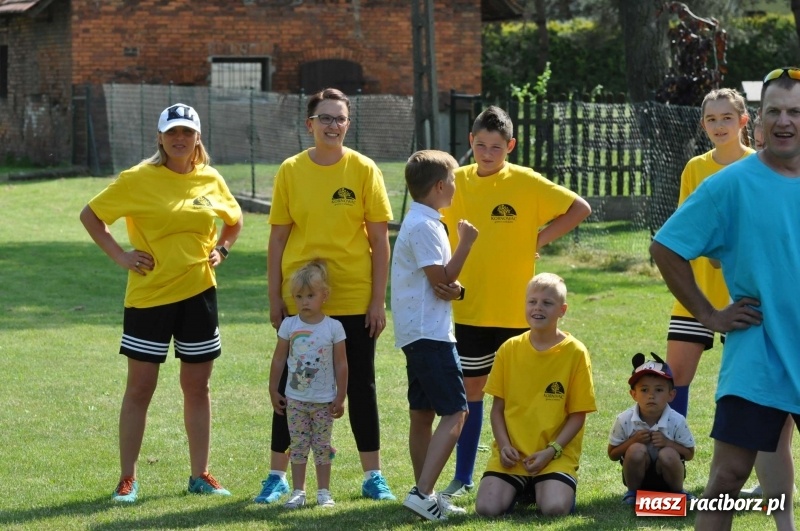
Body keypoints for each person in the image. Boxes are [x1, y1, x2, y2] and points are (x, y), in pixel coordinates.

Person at [650, 67, 800, 531]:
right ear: (756, 120)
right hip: (761, 352)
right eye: (773, 111)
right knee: (727, 479)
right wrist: (708, 314)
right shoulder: (730, 184)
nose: (784, 121)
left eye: (796, 112)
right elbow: (666, 247)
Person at [79, 103, 243, 502]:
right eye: (172, 132)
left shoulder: (210, 178)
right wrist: (121, 256)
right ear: (160, 137)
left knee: (197, 387)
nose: (180, 139)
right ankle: (128, 479)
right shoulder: (137, 178)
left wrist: (223, 248)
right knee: (140, 388)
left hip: (200, 295)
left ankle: (200, 475)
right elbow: (91, 216)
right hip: (149, 297)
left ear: (198, 137)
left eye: (187, 132)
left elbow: (234, 220)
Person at [438, 106, 591, 498]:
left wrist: (536, 240)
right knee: (471, 394)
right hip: (470, 309)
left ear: (511, 146)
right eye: (481, 145)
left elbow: (579, 208)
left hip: (521, 315)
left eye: (497, 147)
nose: (488, 153)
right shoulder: (454, 182)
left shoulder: (525, 182)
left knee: (520, 398)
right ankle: (464, 475)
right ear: (470, 143)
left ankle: (534, 470)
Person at [257, 87, 396, 504]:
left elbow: (379, 239)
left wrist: (377, 300)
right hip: (303, 300)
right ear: (310, 124)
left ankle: (373, 476)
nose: (333, 125)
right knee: (291, 384)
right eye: (325, 118)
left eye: (339, 119)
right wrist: (274, 298)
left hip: (353, 298)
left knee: (361, 385)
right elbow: (278, 239)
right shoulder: (290, 170)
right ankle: (277, 476)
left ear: (347, 125)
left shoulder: (365, 169)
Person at [391, 150, 478, 521]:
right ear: (440, 186)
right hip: (430, 334)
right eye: (454, 181)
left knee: (422, 413)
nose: (456, 187)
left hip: (421, 330)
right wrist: (467, 243)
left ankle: (422, 495)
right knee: (457, 412)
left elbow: (447, 285)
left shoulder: (424, 220)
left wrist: (456, 289)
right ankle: (423, 491)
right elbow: (441, 279)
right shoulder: (426, 226)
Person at [664, 88, 754, 420]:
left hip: (744, 294)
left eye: (727, 117)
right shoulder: (694, 169)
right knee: (673, 380)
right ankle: (673, 458)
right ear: (703, 125)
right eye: (712, 119)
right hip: (696, 292)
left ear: (743, 120)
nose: (719, 125)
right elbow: (683, 230)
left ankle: (743, 460)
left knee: (746, 386)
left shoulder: (758, 166)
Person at [474, 273, 596, 517]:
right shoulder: (509, 349)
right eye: (532, 301)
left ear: (562, 310)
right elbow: (497, 410)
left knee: (554, 508)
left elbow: (578, 416)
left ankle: (547, 486)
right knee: (486, 509)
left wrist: (551, 451)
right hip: (513, 455)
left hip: (554, 455)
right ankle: (525, 487)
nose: (538, 307)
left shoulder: (575, 352)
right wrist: (506, 445)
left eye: (547, 303)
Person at [739, 111, 797, 501]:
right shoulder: (741, 181)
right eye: (770, 118)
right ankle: (773, 498)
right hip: (760, 329)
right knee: (769, 428)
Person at [268, 260, 348, 509]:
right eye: (299, 296)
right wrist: (273, 389)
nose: (304, 302)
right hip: (296, 401)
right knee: (299, 446)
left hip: (324, 401)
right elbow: (279, 358)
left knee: (322, 447)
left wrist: (341, 396)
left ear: (325, 295)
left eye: (310, 295)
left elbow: (341, 365)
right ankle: (298, 492)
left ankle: (324, 492)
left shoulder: (334, 328)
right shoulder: (290, 326)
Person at [608, 352, 695, 504]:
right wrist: (633, 441)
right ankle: (633, 494)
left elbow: (689, 454)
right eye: (644, 390)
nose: (651, 395)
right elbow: (612, 454)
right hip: (637, 477)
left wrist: (668, 443)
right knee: (635, 449)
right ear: (633, 394)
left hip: (668, 474)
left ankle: (678, 492)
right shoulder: (624, 419)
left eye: (659, 390)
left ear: (671, 395)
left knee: (668, 453)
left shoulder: (677, 420)